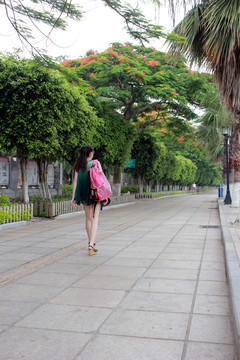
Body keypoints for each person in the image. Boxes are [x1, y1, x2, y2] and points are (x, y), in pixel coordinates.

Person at [71, 145, 105, 256]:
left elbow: (75, 181)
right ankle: (91, 245)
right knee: (95, 219)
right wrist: (105, 196)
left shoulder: (79, 165)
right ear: (90, 153)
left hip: (83, 194)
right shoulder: (96, 163)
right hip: (95, 194)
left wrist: (73, 197)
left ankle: (91, 242)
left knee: (88, 218)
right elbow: (102, 180)